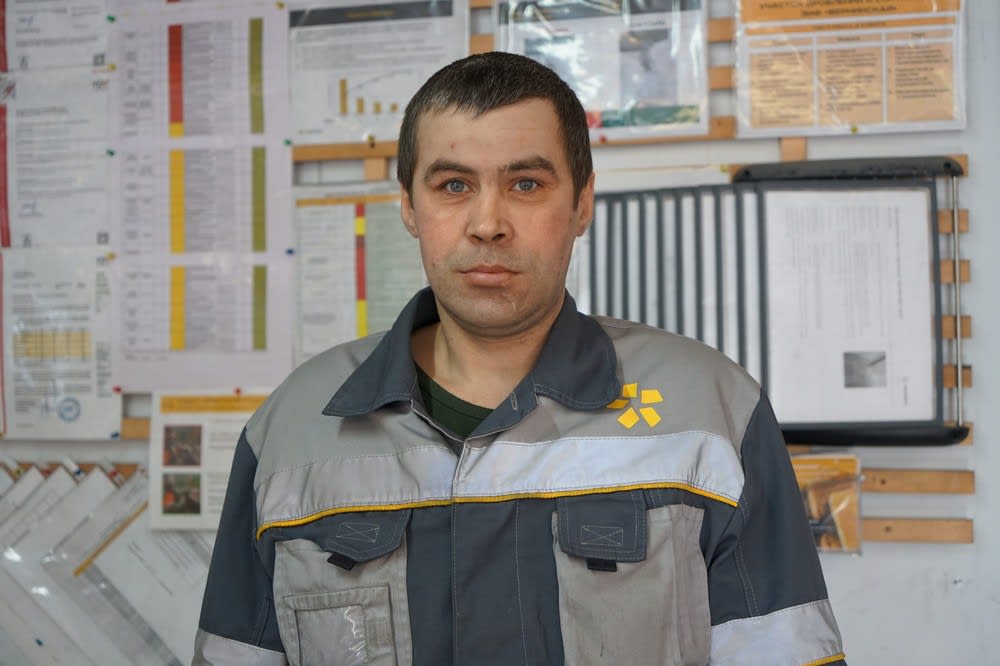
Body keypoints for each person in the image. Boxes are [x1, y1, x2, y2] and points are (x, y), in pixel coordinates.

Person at [194, 52, 845, 665]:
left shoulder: (711, 411)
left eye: (526, 183)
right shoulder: (292, 428)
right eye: (453, 184)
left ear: (581, 204)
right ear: (410, 207)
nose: (488, 223)